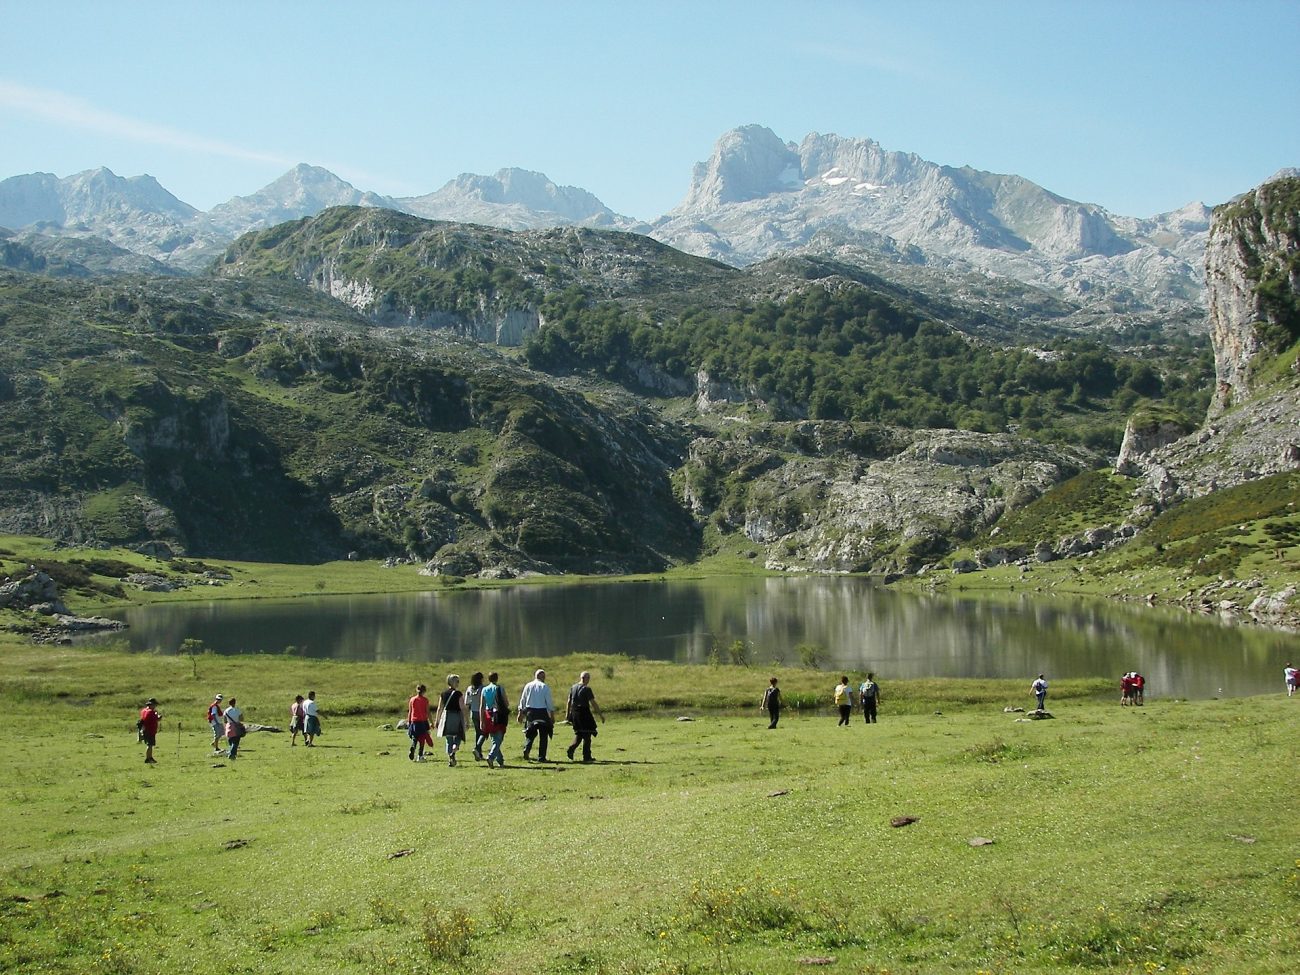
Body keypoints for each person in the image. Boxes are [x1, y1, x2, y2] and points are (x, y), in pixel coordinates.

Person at [565, 671, 605, 763]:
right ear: (586, 678)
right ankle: (586, 756)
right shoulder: (587, 689)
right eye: (588, 678)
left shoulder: (573, 687)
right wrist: (600, 715)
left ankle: (572, 748)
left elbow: (569, 702)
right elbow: (593, 703)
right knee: (587, 734)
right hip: (584, 713)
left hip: (574, 713)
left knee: (579, 733)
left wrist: (567, 715)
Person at [517, 668, 555, 761]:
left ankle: (527, 748)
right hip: (542, 712)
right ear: (542, 677)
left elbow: (523, 700)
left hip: (531, 712)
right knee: (543, 735)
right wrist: (552, 715)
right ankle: (541, 757)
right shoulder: (545, 687)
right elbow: (549, 703)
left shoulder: (528, 686)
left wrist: (520, 713)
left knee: (530, 733)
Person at [434, 675, 470, 766]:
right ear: (453, 682)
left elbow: (439, 708)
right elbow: (463, 708)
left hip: (447, 717)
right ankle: (454, 751)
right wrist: (467, 720)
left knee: (448, 738)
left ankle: (450, 758)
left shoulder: (443, 694)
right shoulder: (458, 694)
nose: (458, 683)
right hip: (457, 717)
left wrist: (437, 720)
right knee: (458, 736)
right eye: (457, 681)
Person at [480, 672, 510, 769]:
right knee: (499, 738)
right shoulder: (499, 688)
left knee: (494, 739)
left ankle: (500, 761)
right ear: (497, 678)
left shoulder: (484, 689)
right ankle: (491, 757)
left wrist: (482, 720)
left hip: (488, 714)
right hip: (498, 714)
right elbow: (506, 702)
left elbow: (482, 706)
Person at [407, 684, 433, 762]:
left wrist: (409, 722)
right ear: (424, 691)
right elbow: (427, 712)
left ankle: (413, 747)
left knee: (415, 738)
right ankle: (420, 755)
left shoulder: (412, 699)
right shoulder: (425, 700)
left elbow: (410, 712)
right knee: (422, 739)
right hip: (423, 721)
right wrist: (431, 722)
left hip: (414, 721)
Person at [466, 672, 485, 761]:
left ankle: (479, 753)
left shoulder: (470, 689)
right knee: (484, 732)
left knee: (478, 732)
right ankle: (477, 748)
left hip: (473, 712)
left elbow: (467, 702)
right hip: (482, 712)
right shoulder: (483, 689)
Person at [138, 697, 161, 764]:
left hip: (145, 730)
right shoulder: (151, 712)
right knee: (150, 745)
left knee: (149, 744)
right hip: (150, 730)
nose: (155, 706)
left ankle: (150, 757)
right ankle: (148, 758)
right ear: (151, 705)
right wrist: (158, 717)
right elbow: (156, 719)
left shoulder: (144, 711)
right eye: (154, 705)